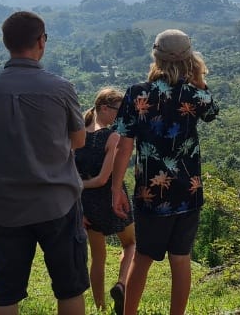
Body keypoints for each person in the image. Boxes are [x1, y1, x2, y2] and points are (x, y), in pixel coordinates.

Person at [0, 11, 89, 315]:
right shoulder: (61, 88)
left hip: (6, 205)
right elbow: (79, 141)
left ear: (6, 42)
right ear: (41, 41)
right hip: (57, 202)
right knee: (70, 288)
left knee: (6, 295)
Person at [111, 29, 219, 315]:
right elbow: (211, 113)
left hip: (150, 193)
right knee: (181, 260)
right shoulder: (196, 94)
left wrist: (115, 189)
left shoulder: (137, 94)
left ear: (155, 56)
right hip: (189, 191)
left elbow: (124, 146)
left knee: (143, 257)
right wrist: (198, 79)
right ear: (189, 58)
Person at [75, 87, 136, 315]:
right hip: (113, 197)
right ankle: (121, 284)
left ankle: (100, 307)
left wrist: (77, 189)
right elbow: (103, 179)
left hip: (86, 204)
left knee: (97, 257)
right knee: (131, 244)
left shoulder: (78, 133)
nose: (120, 116)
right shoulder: (112, 137)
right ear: (103, 108)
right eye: (118, 111)